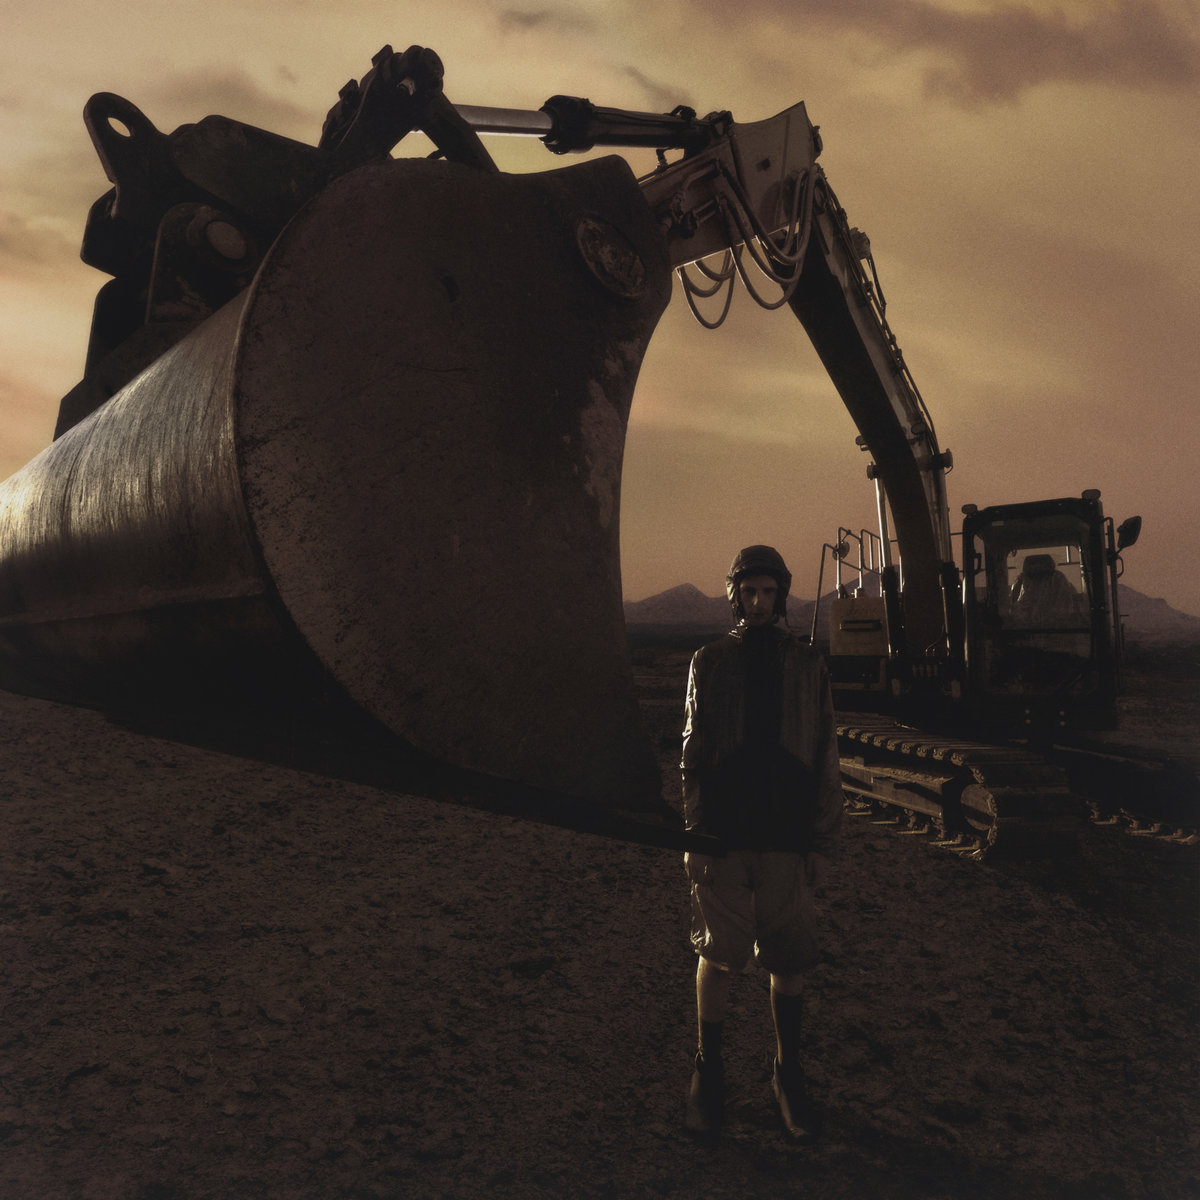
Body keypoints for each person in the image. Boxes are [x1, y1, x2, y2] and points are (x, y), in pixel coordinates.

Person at [681, 544, 842, 1140]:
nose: (759, 602)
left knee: (790, 959)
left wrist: (822, 841)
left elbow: (826, 753)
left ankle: (787, 1076)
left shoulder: (807, 666)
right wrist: (696, 835)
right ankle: (708, 1072)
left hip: (786, 836)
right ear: (735, 596)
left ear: (781, 595)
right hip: (724, 835)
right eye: (749, 591)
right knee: (719, 954)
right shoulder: (710, 661)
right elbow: (693, 754)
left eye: (769, 592)